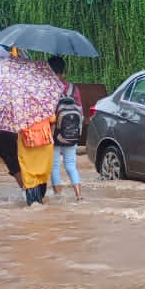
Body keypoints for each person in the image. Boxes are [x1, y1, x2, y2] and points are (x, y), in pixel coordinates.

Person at [48, 55, 85, 202]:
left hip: (55, 133)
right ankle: (78, 195)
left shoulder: (49, 88)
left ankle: (58, 196)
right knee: (71, 164)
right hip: (72, 131)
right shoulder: (73, 88)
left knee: (54, 166)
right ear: (64, 70)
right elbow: (80, 112)